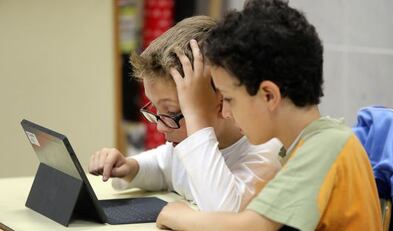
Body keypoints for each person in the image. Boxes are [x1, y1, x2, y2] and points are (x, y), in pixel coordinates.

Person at [155, 0, 382, 230]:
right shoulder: (303, 147)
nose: (226, 112)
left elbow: (249, 227)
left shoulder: (325, 147)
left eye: (230, 99)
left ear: (268, 96)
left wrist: (177, 216)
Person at [88, 15, 282, 212]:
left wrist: (196, 117)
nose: (160, 126)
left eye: (172, 112)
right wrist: (130, 167)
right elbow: (164, 166)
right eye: (155, 109)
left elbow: (223, 213)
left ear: (223, 99)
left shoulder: (264, 151)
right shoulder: (183, 146)